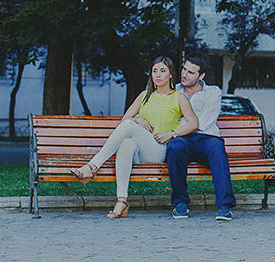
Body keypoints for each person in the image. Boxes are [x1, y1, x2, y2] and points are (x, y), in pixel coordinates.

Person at [69, 56, 198, 218]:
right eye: (154, 71)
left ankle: (92, 166)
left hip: (159, 149)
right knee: (127, 143)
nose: (158, 75)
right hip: (140, 151)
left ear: (171, 74)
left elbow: (194, 124)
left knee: (129, 128)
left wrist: (171, 133)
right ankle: (121, 201)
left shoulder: (178, 97)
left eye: (163, 71)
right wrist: (138, 120)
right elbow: (125, 121)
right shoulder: (145, 95)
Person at [166, 56, 237, 221]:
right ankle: (180, 203)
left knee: (217, 149)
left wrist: (181, 127)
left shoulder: (213, 92)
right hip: (182, 139)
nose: (184, 74)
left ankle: (225, 206)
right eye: (184, 69)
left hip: (206, 138)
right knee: (175, 148)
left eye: (191, 72)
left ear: (201, 76)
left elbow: (202, 123)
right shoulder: (173, 90)